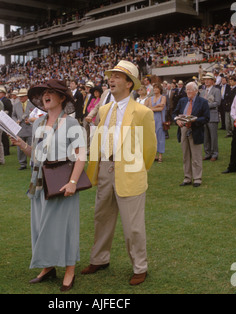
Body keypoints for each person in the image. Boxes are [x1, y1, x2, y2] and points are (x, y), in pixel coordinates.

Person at [82, 60, 157, 286]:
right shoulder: (104, 109)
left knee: (133, 226)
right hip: (105, 168)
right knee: (101, 218)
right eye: (110, 76)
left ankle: (140, 267)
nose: (110, 79)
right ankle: (99, 259)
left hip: (131, 171)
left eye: (116, 76)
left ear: (129, 83)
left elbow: (149, 149)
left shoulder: (143, 112)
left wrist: (135, 168)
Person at [10, 79, 86, 292]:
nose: (46, 95)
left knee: (66, 228)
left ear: (62, 98)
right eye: (44, 92)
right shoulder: (37, 123)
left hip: (63, 183)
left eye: (51, 92)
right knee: (41, 226)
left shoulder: (72, 124)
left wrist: (72, 182)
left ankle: (70, 270)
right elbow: (37, 154)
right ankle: (48, 267)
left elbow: (81, 156)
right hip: (39, 183)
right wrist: (23, 145)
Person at [172, 82, 210, 187]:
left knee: (196, 155)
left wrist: (194, 120)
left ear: (196, 91)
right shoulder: (182, 101)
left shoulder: (202, 102)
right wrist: (177, 121)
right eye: (187, 90)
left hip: (195, 130)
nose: (188, 92)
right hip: (183, 129)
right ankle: (187, 178)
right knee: (185, 155)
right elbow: (174, 113)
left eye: (190, 90)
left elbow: (206, 118)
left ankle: (197, 178)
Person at [199, 72, 221, 161]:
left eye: (208, 79)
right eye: (205, 79)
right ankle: (207, 153)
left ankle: (214, 154)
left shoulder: (216, 90)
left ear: (212, 81)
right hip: (204, 117)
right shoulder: (202, 92)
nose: (206, 81)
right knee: (205, 136)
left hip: (212, 115)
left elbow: (217, 102)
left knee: (213, 136)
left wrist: (206, 106)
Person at [12, 88, 35, 170]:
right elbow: (13, 115)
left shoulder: (32, 104)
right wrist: (16, 121)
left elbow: (35, 114)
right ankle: (22, 163)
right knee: (20, 147)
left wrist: (30, 120)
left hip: (30, 128)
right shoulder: (16, 105)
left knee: (31, 146)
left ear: (26, 96)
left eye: (22, 96)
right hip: (20, 129)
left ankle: (33, 161)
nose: (20, 98)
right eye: (19, 96)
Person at [145, 83, 166, 163]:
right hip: (151, 119)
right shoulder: (150, 98)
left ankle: (160, 155)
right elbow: (145, 106)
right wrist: (157, 106)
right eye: (154, 89)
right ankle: (154, 155)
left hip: (160, 120)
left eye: (157, 88)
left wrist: (152, 108)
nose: (155, 90)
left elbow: (161, 108)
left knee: (160, 137)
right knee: (152, 137)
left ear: (160, 89)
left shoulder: (163, 97)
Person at [0, 86, 13, 156]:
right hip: (1, 119)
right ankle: (4, 150)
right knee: (2, 136)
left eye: (0, 93)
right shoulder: (0, 100)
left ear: (3, 93)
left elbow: (9, 110)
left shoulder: (6, 100)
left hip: (5, 119)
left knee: (4, 136)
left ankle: (6, 151)